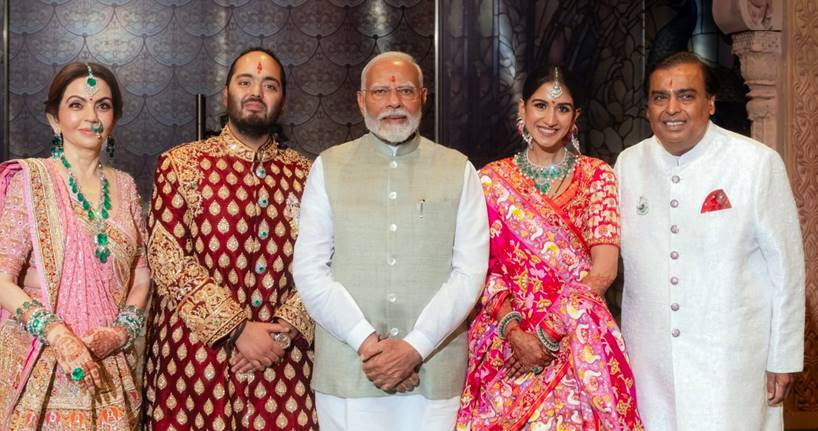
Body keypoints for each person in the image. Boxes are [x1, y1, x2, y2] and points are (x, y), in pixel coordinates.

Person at [293, 51, 489, 431]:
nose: (394, 101)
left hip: (433, 370)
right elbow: (310, 269)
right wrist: (368, 344)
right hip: (350, 370)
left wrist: (414, 348)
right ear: (361, 99)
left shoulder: (458, 168)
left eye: (405, 90)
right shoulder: (328, 166)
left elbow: (469, 272)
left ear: (424, 97)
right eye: (381, 91)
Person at [615, 51, 805, 430]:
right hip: (650, 364)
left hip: (732, 362)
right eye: (659, 97)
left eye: (686, 96)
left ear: (711, 103)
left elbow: (787, 267)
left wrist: (783, 356)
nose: (672, 109)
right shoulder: (628, 164)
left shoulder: (754, 163)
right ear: (647, 108)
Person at [455, 65, 644, 430]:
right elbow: (483, 268)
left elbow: (603, 270)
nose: (550, 118)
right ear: (522, 110)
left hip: (576, 336)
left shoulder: (597, 176)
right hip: (504, 341)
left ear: (575, 118)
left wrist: (547, 333)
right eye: (540, 105)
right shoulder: (490, 181)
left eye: (562, 108)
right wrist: (515, 332)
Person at [142, 47, 317, 430]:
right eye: (245, 82)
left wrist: (282, 331)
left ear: (282, 99)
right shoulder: (180, 163)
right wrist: (237, 329)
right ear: (226, 94)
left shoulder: (309, 175)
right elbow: (166, 256)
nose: (256, 91)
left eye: (269, 85)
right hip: (195, 358)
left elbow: (329, 260)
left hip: (282, 358)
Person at [0, 62, 150, 429]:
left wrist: (120, 333)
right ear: (54, 119)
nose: (91, 116)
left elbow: (142, 275)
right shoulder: (30, 182)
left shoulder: (125, 186)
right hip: (44, 359)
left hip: (109, 363)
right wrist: (57, 334)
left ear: (115, 118)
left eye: (103, 106)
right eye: (76, 105)